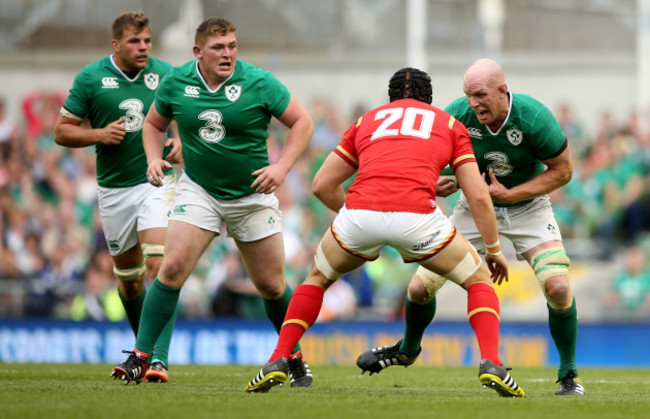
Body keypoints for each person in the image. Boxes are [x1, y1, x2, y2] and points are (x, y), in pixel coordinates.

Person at [244, 67, 525, 398]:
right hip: (417, 217)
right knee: (479, 279)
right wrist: (493, 250)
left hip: (360, 214)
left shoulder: (367, 121)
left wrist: (360, 218)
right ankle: (491, 362)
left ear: (390, 97)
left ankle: (279, 358)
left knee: (316, 279)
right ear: (429, 98)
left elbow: (320, 185)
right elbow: (477, 195)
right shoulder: (449, 124)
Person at [357, 58, 584, 396]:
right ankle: (407, 349)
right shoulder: (457, 116)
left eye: (480, 94)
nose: (473, 103)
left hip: (529, 208)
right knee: (419, 289)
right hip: (473, 208)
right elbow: (422, 159)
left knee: (558, 288)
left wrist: (511, 193)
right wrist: (433, 184)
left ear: (502, 91)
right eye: (468, 95)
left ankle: (569, 373)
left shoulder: (534, 117)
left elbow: (563, 171)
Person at [109, 17, 315, 387]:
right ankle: (141, 354)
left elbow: (302, 122)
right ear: (198, 52)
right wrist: (154, 158)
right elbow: (153, 124)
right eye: (219, 48)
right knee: (170, 269)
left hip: (253, 195)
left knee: (271, 285)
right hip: (199, 190)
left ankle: (293, 355)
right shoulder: (177, 81)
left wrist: (282, 168)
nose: (227, 54)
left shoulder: (259, 81)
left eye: (232, 46)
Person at [54, 11, 181, 383]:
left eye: (147, 41)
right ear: (116, 45)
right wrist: (98, 135)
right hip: (113, 190)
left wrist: (180, 145)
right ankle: (143, 351)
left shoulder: (167, 75)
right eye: (134, 42)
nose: (143, 48)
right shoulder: (91, 78)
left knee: (160, 266)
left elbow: (188, 122)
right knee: (129, 280)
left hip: (156, 181)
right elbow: (62, 131)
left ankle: (157, 359)